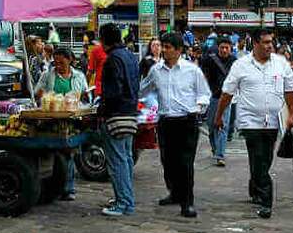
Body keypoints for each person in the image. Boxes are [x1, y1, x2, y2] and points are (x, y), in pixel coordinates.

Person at [215, 29, 293, 219]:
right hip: (250, 121)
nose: (270, 45)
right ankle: (266, 200)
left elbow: (290, 90)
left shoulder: (281, 64)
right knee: (259, 157)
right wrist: (219, 116)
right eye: (266, 42)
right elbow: (227, 93)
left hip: (273, 121)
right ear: (255, 43)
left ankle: (255, 188)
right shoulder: (240, 65)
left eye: (271, 42)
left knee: (263, 158)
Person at [140, 33, 211, 218]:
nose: (164, 50)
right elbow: (143, 89)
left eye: (168, 47)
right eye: (162, 46)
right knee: (168, 161)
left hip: (186, 121)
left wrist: (197, 108)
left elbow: (204, 94)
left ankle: (187, 202)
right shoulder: (156, 70)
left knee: (185, 163)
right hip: (165, 122)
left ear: (179, 50)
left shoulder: (192, 70)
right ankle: (174, 192)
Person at [98, 23, 140, 217]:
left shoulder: (112, 60)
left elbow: (112, 92)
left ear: (104, 40)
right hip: (131, 114)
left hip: (115, 116)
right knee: (126, 159)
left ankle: (124, 203)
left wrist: (101, 111)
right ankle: (125, 198)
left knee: (117, 161)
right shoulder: (131, 56)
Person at [35, 47, 88, 200]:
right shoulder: (47, 75)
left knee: (69, 152)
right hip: (51, 120)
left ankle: (68, 188)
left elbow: (84, 94)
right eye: (55, 62)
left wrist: (75, 101)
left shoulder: (78, 76)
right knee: (52, 153)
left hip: (71, 120)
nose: (58, 65)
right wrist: (50, 98)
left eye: (61, 62)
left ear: (70, 60)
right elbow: (38, 92)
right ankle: (50, 187)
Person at [201, 37, 237, 166]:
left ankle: (220, 155)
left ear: (231, 48)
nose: (224, 50)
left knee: (222, 126)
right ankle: (215, 148)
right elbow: (203, 76)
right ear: (218, 48)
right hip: (213, 98)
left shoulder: (234, 61)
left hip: (227, 98)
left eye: (227, 47)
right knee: (211, 126)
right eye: (222, 47)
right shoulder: (210, 59)